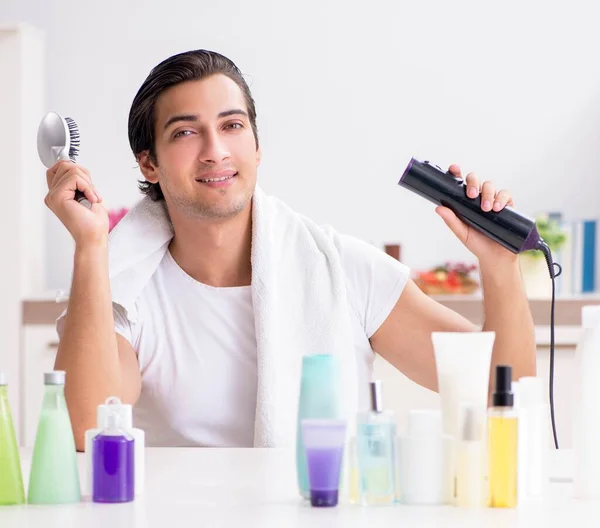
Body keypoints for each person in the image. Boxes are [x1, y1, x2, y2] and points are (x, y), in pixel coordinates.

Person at [45, 50, 535, 450]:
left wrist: (499, 268)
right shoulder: (131, 291)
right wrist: (91, 248)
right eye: (186, 132)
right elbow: (86, 429)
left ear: (257, 147)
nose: (215, 150)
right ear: (149, 164)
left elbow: (500, 392)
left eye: (233, 126)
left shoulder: (340, 269)